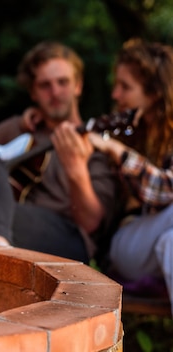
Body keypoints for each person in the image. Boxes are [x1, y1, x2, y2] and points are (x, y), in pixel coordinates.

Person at [0, 41, 119, 263]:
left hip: (66, 237)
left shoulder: (95, 144)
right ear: (33, 92)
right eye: (45, 85)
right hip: (7, 220)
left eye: (63, 82)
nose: (55, 93)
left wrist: (76, 169)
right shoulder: (20, 128)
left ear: (78, 86)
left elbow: (91, 224)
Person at [88, 39, 173, 312]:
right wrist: (117, 150)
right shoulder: (119, 132)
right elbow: (164, 192)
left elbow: (163, 189)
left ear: (155, 93)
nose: (115, 94)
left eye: (125, 87)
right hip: (126, 246)